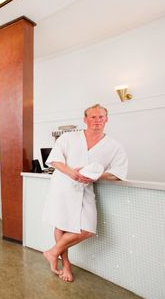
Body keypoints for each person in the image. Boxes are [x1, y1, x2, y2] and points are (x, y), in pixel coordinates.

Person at [41, 104, 128, 282]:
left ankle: (52, 252)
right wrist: (72, 173)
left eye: (101, 117)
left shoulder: (114, 146)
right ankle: (65, 264)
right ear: (85, 119)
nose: (97, 120)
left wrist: (96, 176)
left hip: (86, 187)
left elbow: (119, 173)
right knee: (62, 224)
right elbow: (55, 161)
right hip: (63, 184)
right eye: (93, 117)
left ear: (106, 119)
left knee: (87, 229)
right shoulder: (68, 137)